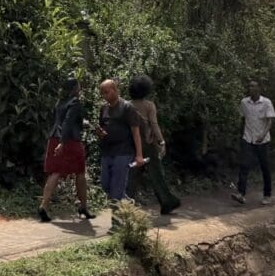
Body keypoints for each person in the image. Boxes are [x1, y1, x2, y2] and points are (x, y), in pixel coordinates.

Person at [38, 77, 95, 222]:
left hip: (54, 138)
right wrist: (63, 143)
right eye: (79, 86)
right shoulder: (75, 102)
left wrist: (84, 123)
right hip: (69, 141)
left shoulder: (59, 103)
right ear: (75, 89)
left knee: (55, 172)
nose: (80, 88)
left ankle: (43, 206)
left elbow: (64, 120)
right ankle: (83, 207)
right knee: (80, 172)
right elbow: (68, 122)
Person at [126, 75, 181, 215]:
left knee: (131, 175)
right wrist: (161, 142)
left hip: (131, 143)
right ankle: (167, 201)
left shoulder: (127, 105)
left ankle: (124, 205)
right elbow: (154, 125)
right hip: (147, 144)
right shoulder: (149, 105)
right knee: (156, 174)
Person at [96, 79, 146, 208]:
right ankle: (128, 202)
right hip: (107, 151)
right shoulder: (103, 108)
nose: (104, 96)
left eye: (106, 92)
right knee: (105, 184)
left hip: (123, 152)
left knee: (116, 190)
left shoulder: (127, 107)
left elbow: (136, 132)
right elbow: (102, 127)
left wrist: (139, 155)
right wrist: (100, 133)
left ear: (115, 90)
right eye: (102, 93)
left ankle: (116, 223)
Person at [231, 80, 275, 206]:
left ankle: (267, 195)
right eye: (249, 86)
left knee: (265, 167)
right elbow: (242, 119)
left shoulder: (266, 102)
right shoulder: (244, 102)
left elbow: (270, 121)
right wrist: (240, 135)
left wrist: (262, 135)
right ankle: (241, 194)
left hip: (262, 141)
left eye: (253, 86)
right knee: (244, 166)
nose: (250, 88)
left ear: (259, 88)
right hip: (248, 138)